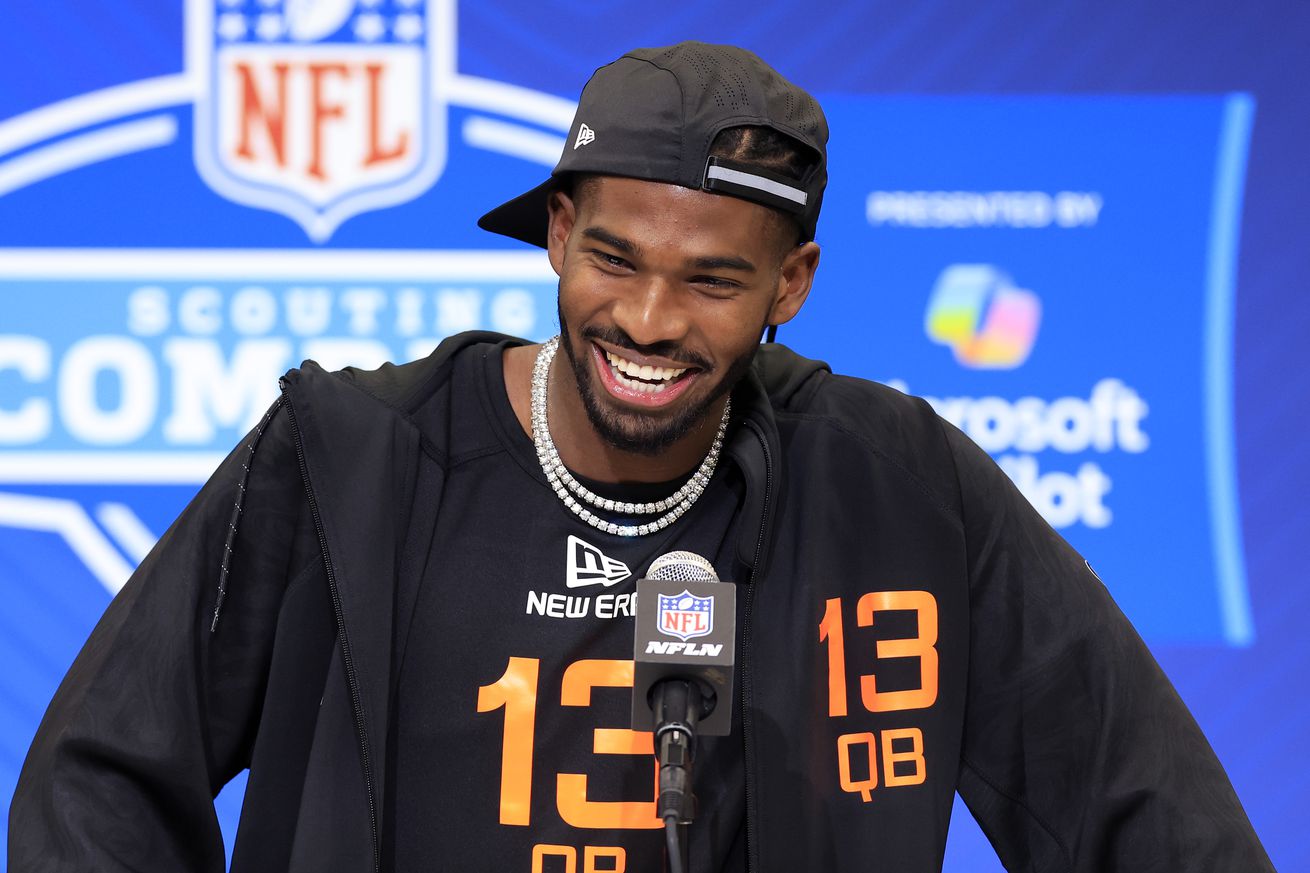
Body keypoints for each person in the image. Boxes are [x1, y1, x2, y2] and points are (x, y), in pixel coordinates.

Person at [9, 42, 1272, 873]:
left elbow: (1144, 808)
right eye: (615, 260)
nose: (651, 324)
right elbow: (98, 780)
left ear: (791, 286)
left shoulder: (896, 485)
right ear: (557, 234)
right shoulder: (348, 459)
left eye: (713, 281)